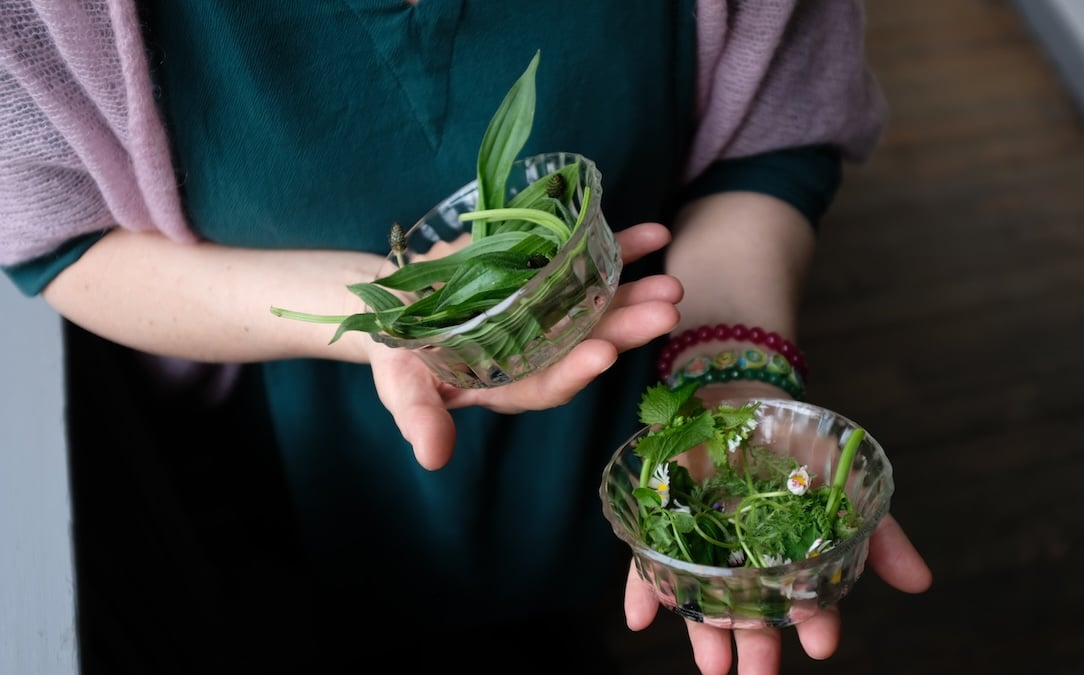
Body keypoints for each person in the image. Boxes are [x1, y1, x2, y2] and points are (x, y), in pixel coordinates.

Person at [1, 1, 932, 673]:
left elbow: (769, 133)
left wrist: (727, 369)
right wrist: (379, 314)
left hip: (603, 435)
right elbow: (51, 233)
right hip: (277, 483)